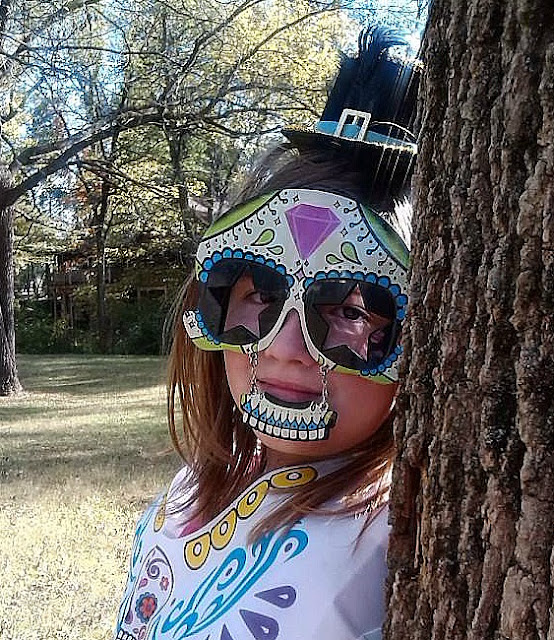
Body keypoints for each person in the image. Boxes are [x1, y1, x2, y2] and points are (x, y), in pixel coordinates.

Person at [113, 26, 420, 640]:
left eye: (352, 312)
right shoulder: (195, 485)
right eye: (259, 295)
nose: (284, 349)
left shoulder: (400, 544)